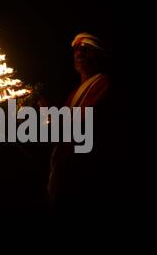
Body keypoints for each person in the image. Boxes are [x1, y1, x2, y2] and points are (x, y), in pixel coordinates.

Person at [47, 32, 113, 217]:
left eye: (86, 50)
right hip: (65, 169)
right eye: (77, 50)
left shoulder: (102, 83)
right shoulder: (77, 90)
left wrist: (48, 114)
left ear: (99, 56)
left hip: (82, 173)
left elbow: (79, 125)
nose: (79, 54)